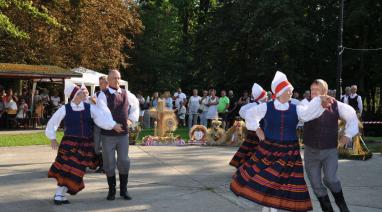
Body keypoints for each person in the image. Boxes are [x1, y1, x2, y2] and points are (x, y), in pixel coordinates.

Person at [230, 71, 331, 212]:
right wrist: (258, 130)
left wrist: (320, 103)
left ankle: (272, 206)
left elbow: (308, 114)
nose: (292, 92)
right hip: (269, 148)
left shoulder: (296, 107)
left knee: (284, 181)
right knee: (269, 177)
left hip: (290, 150)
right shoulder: (267, 106)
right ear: (281, 92)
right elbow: (250, 114)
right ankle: (267, 205)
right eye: (289, 90)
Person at [46, 81, 123, 205]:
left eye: (82, 93)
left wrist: (113, 125)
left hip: (85, 144)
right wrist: (52, 138)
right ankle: (58, 195)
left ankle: (60, 195)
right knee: (68, 169)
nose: (83, 94)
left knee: (77, 170)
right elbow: (52, 122)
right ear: (74, 95)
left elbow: (101, 119)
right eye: (80, 93)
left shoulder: (89, 108)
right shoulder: (65, 109)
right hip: (69, 144)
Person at [303, 79, 358, 212]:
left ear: (325, 91)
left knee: (331, 179)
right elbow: (300, 116)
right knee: (316, 184)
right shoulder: (304, 105)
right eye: (312, 90)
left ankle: (342, 205)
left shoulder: (337, 105)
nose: (314, 92)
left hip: (330, 151)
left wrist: (348, 135)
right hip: (311, 152)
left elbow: (352, 117)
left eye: (317, 90)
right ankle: (328, 209)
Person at [97, 69, 139, 201]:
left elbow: (136, 106)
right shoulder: (102, 95)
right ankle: (111, 191)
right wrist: (113, 125)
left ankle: (124, 190)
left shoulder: (127, 93)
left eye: (118, 78)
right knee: (109, 163)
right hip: (108, 135)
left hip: (123, 135)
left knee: (124, 161)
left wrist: (131, 119)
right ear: (108, 80)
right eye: (114, 78)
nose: (117, 80)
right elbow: (100, 115)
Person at [229, 83, 267, 168]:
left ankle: (249, 165)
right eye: (265, 96)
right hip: (256, 131)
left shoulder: (262, 105)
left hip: (260, 130)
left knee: (252, 148)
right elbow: (241, 111)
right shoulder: (254, 105)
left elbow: (242, 112)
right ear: (262, 96)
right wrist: (250, 120)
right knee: (252, 148)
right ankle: (248, 165)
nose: (266, 97)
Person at [93, 76, 109, 173]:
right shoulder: (97, 93)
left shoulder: (111, 93)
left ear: (107, 83)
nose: (101, 85)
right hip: (97, 123)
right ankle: (101, 164)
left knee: (106, 145)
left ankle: (105, 166)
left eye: (103, 83)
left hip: (107, 123)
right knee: (96, 146)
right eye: (100, 83)